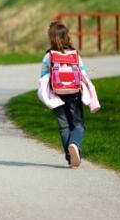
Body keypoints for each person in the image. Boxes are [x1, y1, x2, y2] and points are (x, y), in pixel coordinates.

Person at [40, 21, 89, 168]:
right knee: (78, 125)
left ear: (51, 37)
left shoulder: (48, 56)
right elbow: (83, 75)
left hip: (56, 95)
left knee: (64, 127)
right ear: (67, 36)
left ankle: (70, 158)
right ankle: (74, 144)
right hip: (74, 94)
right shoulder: (74, 54)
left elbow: (43, 77)